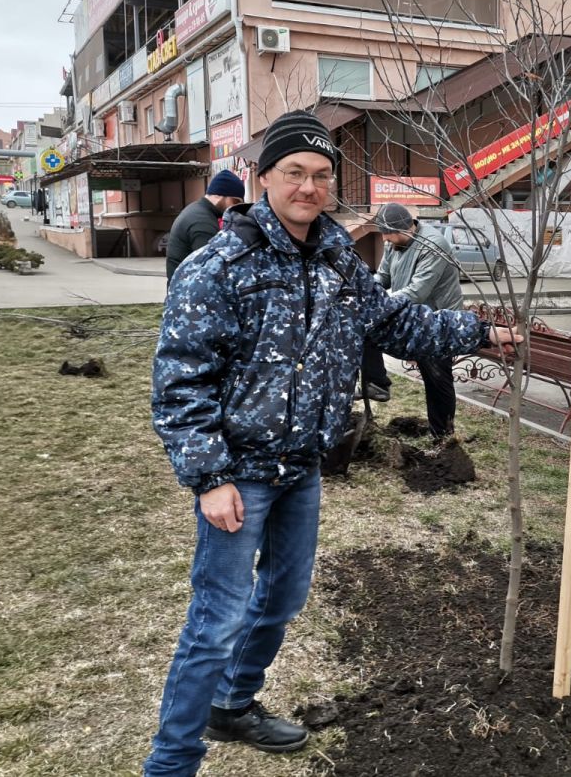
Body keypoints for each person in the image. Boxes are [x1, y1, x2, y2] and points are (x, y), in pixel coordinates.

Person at [145, 110, 521, 776]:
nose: (309, 187)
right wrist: (209, 477)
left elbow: (397, 323)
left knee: (284, 596)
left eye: (322, 175)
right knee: (217, 620)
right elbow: (180, 381)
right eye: (295, 173)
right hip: (241, 472)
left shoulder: (337, 261)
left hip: (304, 466)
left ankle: (233, 704)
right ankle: (171, 764)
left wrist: (478, 332)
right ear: (265, 178)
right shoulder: (218, 267)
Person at [359, 203, 465, 436]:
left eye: (389, 234)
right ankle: (377, 384)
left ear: (406, 227)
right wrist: (367, 292)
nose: (385, 239)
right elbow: (384, 276)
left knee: (437, 378)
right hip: (410, 314)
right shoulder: (393, 242)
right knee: (364, 329)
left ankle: (443, 435)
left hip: (438, 320)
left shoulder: (433, 245)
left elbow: (418, 290)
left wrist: (382, 306)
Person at [164, 170, 247, 282]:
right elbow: (213, 269)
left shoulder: (197, 211)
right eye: (235, 201)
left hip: (183, 290)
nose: (236, 208)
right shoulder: (202, 222)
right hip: (189, 293)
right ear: (220, 195)